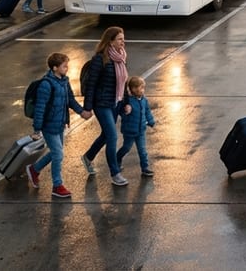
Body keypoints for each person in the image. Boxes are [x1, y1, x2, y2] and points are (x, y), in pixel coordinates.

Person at [27, 52, 92, 198]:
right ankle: (57, 185)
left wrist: (82, 112)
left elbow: (70, 100)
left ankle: (34, 169)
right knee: (58, 154)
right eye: (64, 66)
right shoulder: (46, 84)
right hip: (48, 126)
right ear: (55, 68)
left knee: (55, 153)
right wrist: (37, 129)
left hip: (60, 124)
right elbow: (40, 108)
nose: (67, 68)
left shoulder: (64, 81)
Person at [81, 26, 131, 187]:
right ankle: (115, 173)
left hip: (115, 102)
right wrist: (87, 108)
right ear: (110, 41)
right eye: (120, 39)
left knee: (105, 135)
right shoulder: (99, 59)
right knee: (112, 136)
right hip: (101, 104)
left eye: (123, 38)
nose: (123, 42)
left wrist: (126, 102)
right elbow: (92, 84)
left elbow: (123, 83)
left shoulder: (121, 57)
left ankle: (88, 156)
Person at [116, 75, 157, 176]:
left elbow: (147, 111)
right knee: (126, 147)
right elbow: (122, 113)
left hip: (141, 130)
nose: (143, 90)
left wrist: (151, 121)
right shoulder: (128, 101)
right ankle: (117, 158)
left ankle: (145, 168)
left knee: (142, 150)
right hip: (130, 131)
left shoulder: (144, 100)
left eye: (143, 88)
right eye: (141, 88)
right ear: (133, 89)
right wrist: (126, 112)